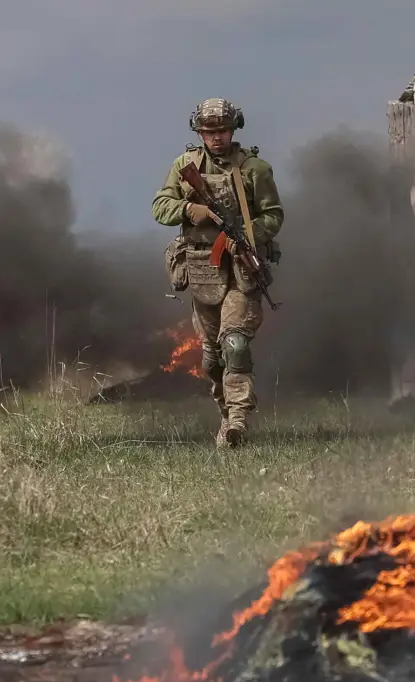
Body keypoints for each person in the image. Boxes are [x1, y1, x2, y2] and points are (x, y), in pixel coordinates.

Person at [152, 98, 284, 448]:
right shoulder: (185, 165)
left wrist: (244, 236)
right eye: (209, 132)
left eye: (222, 130)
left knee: (235, 343)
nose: (217, 138)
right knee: (211, 359)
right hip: (201, 269)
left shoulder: (254, 169)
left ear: (234, 129)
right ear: (199, 132)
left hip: (240, 270)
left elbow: (273, 216)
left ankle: (238, 421)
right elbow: (160, 206)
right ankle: (227, 412)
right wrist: (189, 208)